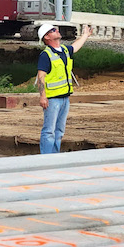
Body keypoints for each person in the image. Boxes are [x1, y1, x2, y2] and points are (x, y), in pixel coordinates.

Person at [36, 23, 92, 154]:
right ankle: (46, 158)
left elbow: (75, 47)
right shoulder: (46, 55)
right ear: (47, 36)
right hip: (52, 100)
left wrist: (85, 35)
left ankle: (54, 157)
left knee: (59, 131)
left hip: (65, 98)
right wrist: (42, 96)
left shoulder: (64, 51)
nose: (57, 31)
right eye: (53, 30)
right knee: (49, 130)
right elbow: (41, 77)